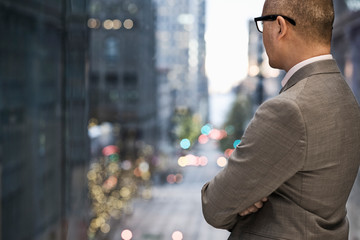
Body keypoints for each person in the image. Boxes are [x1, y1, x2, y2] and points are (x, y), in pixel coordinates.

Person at [201, 0, 360, 239]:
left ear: (279, 26)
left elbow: (215, 205)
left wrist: (249, 201)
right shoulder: (346, 97)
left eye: (262, 24)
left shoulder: (288, 109)